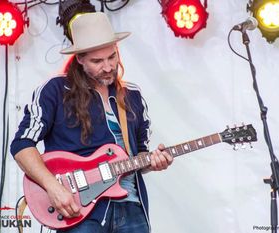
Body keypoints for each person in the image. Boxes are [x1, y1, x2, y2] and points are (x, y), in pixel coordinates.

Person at [10, 12, 173, 233]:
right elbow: (21, 145)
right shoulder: (56, 90)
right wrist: (53, 187)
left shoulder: (132, 95)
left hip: (132, 209)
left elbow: (139, 154)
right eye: (97, 61)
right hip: (80, 212)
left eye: (112, 57)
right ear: (79, 58)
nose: (107, 67)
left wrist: (154, 161)